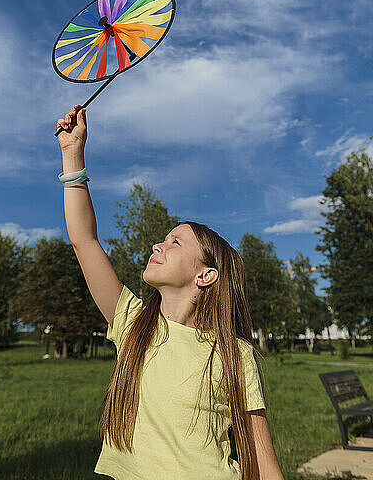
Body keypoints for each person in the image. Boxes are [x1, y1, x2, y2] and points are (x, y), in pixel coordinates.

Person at [56, 105, 285, 480]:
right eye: (163, 239)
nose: (157, 246)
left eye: (175, 242)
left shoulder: (233, 352)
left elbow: (262, 461)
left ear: (206, 276)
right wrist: (72, 154)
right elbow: (84, 240)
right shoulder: (132, 324)